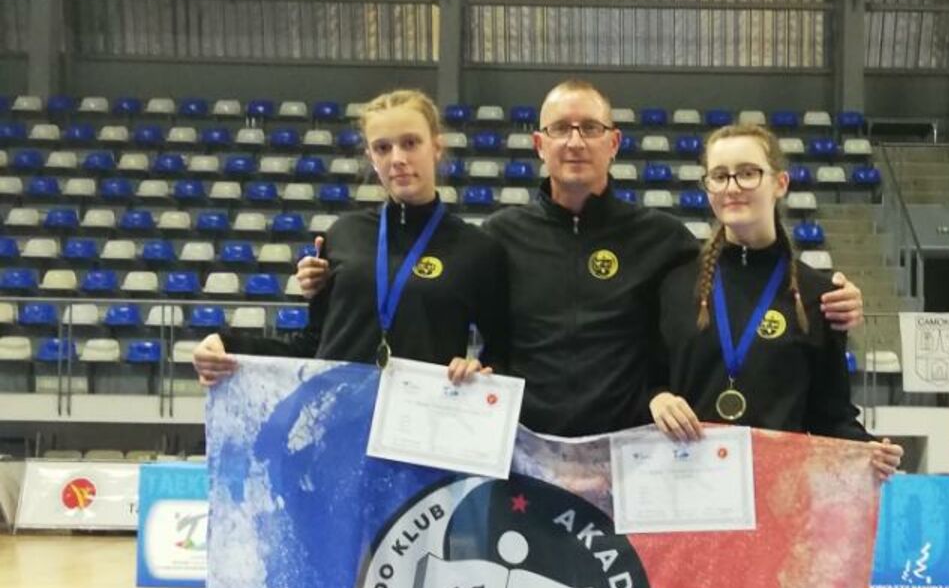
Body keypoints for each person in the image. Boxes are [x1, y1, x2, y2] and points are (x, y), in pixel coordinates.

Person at [297, 80, 867, 436]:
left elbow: (740, 283)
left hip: (624, 455)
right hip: (522, 454)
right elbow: (439, 322)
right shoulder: (496, 239)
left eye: (589, 128)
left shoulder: (662, 240)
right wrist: (330, 287)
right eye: (560, 130)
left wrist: (830, 298)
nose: (574, 141)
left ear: (613, 143)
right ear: (539, 145)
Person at [191, 88, 507, 387]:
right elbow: (312, 345)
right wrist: (227, 346)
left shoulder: (475, 249)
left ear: (436, 148)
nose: (397, 158)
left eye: (410, 143)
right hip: (336, 416)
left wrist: (479, 368)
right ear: (371, 157)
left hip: (417, 419)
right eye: (383, 148)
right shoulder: (344, 234)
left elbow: (503, 352)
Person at [647, 124, 902, 479]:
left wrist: (867, 450)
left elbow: (829, 415)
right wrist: (656, 399)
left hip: (778, 492)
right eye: (719, 176)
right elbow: (647, 379)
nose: (732, 187)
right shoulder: (674, 285)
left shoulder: (818, 296)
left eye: (748, 173)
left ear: (780, 183)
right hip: (689, 488)